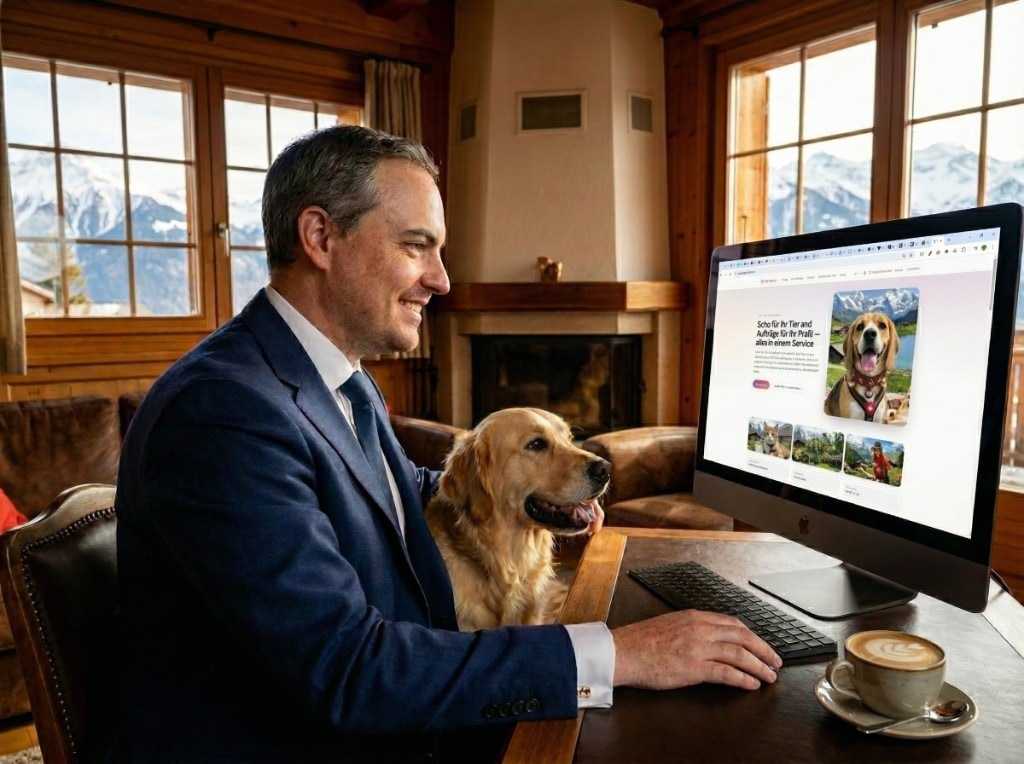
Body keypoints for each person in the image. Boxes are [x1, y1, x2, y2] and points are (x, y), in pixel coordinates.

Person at [114, 125, 781, 762]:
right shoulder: (225, 413)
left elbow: (400, 490)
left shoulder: (335, 375)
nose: (442, 279)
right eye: (416, 245)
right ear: (320, 236)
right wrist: (618, 655)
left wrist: (522, 491)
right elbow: (349, 671)